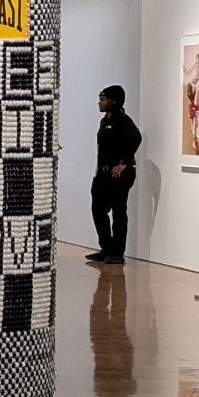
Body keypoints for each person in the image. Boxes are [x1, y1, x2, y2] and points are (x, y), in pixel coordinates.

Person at [88, 85, 142, 265]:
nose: (99, 103)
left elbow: (136, 138)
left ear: (113, 101)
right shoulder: (105, 121)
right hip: (102, 174)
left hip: (119, 176)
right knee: (98, 209)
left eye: (103, 99)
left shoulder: (123, 121)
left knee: (119, 212)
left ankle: (118, 252)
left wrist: (123, 163)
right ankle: (106, 248)